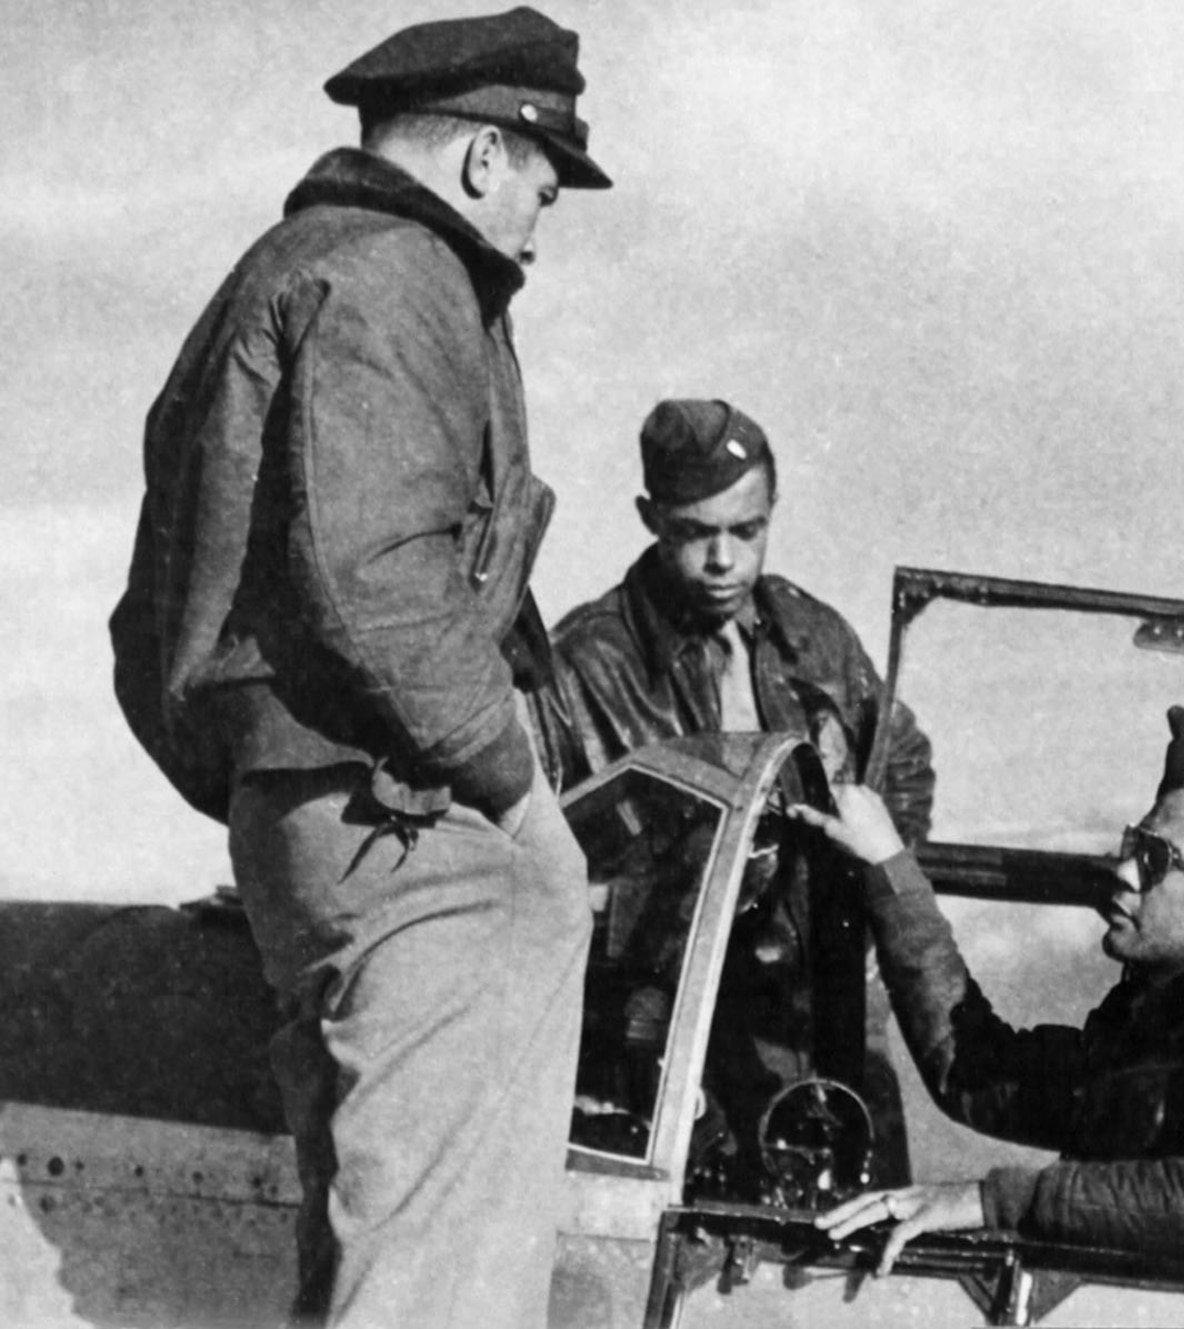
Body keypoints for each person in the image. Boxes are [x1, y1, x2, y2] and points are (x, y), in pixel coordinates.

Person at [107, 10, 611, 1325]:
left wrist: (259, 779)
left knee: (371, 1260)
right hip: (408, 819)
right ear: (481, 158)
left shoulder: (291, 268)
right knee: (440, 1281)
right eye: (543, 177)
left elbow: (146, 621)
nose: (547, 211)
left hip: (312, 811)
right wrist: (516, 796)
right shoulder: (397, 278)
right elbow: (375, 578)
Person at [791, 706, 1184, 1273]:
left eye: (1157, 860)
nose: (1124, 872)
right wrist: (889, 871)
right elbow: (976, 1070)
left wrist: (995, 1200)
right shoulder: (1170, 1018)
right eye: (1134, 844)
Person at [542, 398, 935, 1185]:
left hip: (816, 1021)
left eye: (746, 530)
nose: (724, 559)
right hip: (663, 1035)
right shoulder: (585, 663)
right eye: (695, 532)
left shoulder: (814, 637)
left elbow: (904, 762)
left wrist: (868, 894)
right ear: (650, 516)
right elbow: (540, 855)